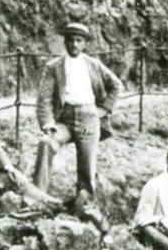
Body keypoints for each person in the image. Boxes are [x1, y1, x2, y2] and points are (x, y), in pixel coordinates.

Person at [33, 20, 125, 218]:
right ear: (64, 42)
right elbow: (44, 99)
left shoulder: (93, 65)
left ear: (85, 44)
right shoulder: (54, 67)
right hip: (64, 119)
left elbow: (116, 85)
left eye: (79, 40)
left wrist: (104, 109)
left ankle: (84, 206)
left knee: (87, 166)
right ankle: (36, 197)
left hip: (88, 120)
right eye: (70, 40)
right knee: (46, 143)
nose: (74, 44)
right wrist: (48, 124)